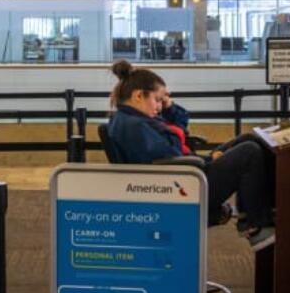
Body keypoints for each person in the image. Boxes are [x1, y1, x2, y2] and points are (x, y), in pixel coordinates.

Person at [105, 60, 275, 251]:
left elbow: (176, 134)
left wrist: (169, 107)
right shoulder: (134, 126)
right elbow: (170, 157)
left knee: (249, 138)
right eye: (157, 99)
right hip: (181, 185)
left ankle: (250, 215)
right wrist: (208, 160)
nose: (160, 106)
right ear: (138, 95)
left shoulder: (133, 119)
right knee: (249, 152)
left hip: (186, 173)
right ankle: (256, 223)